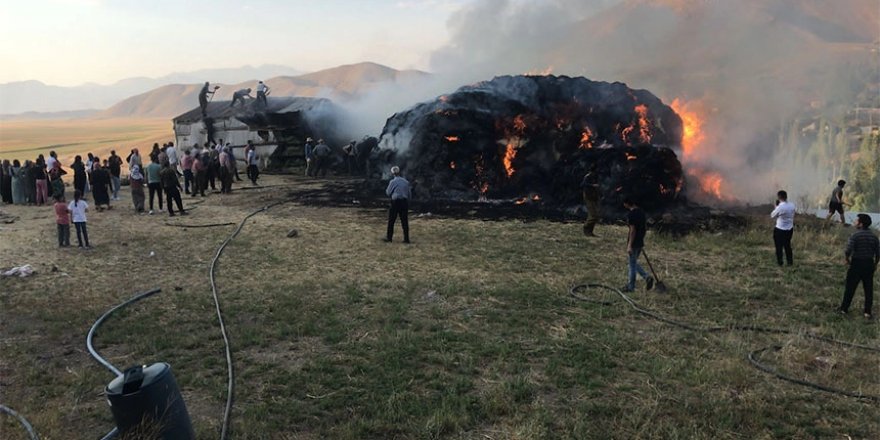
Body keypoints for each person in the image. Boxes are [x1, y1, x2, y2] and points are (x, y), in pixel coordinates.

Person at [837, 214, 879, 319]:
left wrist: (847, 259)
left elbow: (848, 250)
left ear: (861, 224)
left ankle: (844, 309)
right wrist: (875, 264)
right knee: (868, 289)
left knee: (850, 287)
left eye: (857, 221)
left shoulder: (855, 236)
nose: (855, 222)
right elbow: (878, 253)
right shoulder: (874, 237)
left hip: (856, 263)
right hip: (869, 264)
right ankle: (867, 312)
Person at [623, 198, 654, 292]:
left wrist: (629, 245)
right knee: (633, 263)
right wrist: (641, 239)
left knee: (632, 265)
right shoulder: (641, 212)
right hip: (640, 241)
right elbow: (644, 228)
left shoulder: (631, 214)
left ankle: (631, 287)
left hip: (634, 242)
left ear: (627, 204)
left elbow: (632, 231)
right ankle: (646, 277)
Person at [384, 166, 411, 244]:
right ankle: (406, 239)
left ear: (392, 173)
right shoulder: (406, 181)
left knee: (391, 221)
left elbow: (388, 192)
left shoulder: (392, 182)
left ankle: (389, 238)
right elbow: (409, 194)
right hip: (404, 202)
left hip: (395, 202)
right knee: (404, 221)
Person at [770, 190, 795, 266]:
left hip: (779, 230)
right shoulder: (792, 205)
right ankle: (790, 262)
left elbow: (772, 215)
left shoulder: (780, 207)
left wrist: (776, 206)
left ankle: (780, 262)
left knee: (779, 247)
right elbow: (793, 213)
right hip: (789, 229)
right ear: (786, 196)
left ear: (779, 197)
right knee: (787, 246)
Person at [581, 165, 600, 237]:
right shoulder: (587, 177)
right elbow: (583, 184)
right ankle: (586, 228)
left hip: (593, 197)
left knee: (595, 215)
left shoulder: (594, 177)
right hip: (588, 197)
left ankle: (590, 231)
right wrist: (592, 185)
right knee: (593, 215)